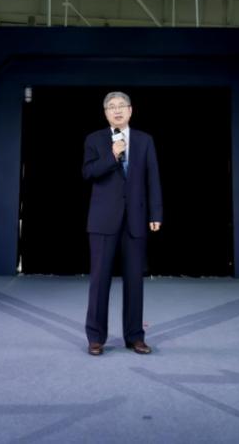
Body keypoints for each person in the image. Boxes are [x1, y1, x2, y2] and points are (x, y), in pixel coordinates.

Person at [82, 91, 162, 356]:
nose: (117, 110)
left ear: (130, 110)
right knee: (99, 281)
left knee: (135, 282)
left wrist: (156, 213)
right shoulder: (94, 139)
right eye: (111, 107)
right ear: (106, 113)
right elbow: (88, 172)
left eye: (121, 106)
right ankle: (96, 338)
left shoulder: (144, 140)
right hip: (103, 219)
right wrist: (112, 155)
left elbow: (153, 178)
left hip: (136, 220)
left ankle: (135, 337)